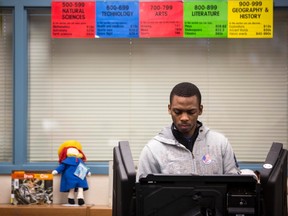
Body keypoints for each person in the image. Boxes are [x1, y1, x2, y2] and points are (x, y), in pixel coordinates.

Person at [136, 82, 240, 181]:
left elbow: (235, 187)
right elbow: (142, 194)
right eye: (178, 112)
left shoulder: (220, 144)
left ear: (200, 110)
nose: (184, 118)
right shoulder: (153, 150)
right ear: (169, 109)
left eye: (191, 112)